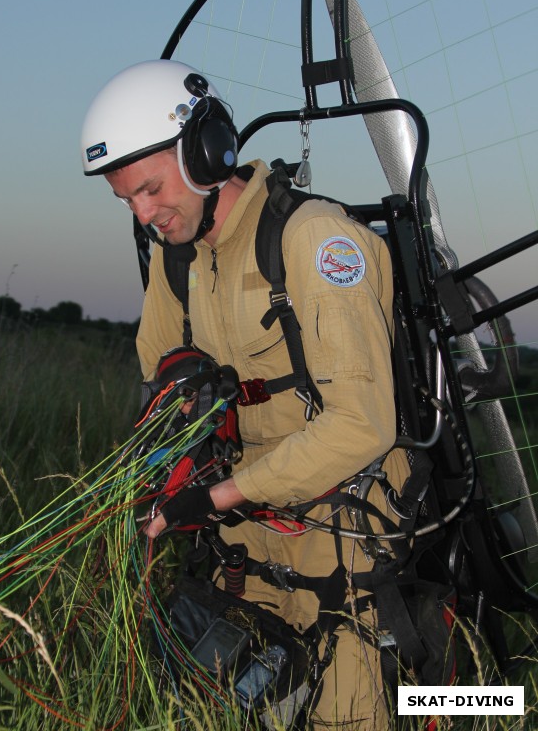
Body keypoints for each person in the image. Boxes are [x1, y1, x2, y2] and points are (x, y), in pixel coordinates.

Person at [81, 59, 409, 729]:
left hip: (340, 533)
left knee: (341, 713)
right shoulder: (179, 261)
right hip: (242, 546)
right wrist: (157, 481)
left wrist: (216, 495)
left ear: (207, 152)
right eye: (127, 202)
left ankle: (478, 702)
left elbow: (361, 425)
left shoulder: (313, 239)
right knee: (233, 708)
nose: (144, 214)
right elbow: (159, 390)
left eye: (149, 189)